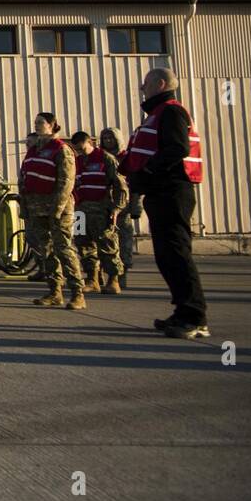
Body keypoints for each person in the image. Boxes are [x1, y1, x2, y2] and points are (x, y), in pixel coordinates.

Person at [121, 67, 208, 339]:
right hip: (160, 193)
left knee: (177, 253)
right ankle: (182, 311)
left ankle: (194, 317)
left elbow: (177, 148)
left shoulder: (171, 112)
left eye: (145, 83)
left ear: (160, 84)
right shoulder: (156, 115)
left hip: (172, 191)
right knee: (167, 255)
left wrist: (146, 171)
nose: (141, 88)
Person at [21, 112, 86, 310]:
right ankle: (54, 291)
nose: (38, 125)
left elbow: (66, 182)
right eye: (36, 122)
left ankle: (77, 293)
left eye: (42, 122)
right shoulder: (34, 150)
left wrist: (57, 209)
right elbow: (24, 177)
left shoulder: (61, 149)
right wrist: (25, 207)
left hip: (57, 210)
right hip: (36, 208)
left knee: (63, 249)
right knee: (45, 251)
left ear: (52, 125)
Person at [70, 130, 129, 295]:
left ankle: (113, 280)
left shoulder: (106, 159)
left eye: (82, 148)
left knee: (107, 245)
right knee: (84, 246)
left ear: (90, 143)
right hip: (80, 211)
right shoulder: (76, 161)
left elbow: (120, 186)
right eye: (77, 150)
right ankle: (92, 279)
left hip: (101, 210)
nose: (80, 152)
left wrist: (117, 208)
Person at [100, 126, 141, 287]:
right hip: (104, 205)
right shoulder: (100, 158)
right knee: (105, 241)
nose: (108, 141)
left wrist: (136, 206)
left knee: (124, 241)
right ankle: (105, 273)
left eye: (111, 138)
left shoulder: (126, 158)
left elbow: (134, 184)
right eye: (105, 139)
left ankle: (122, 273)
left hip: (123, 206)